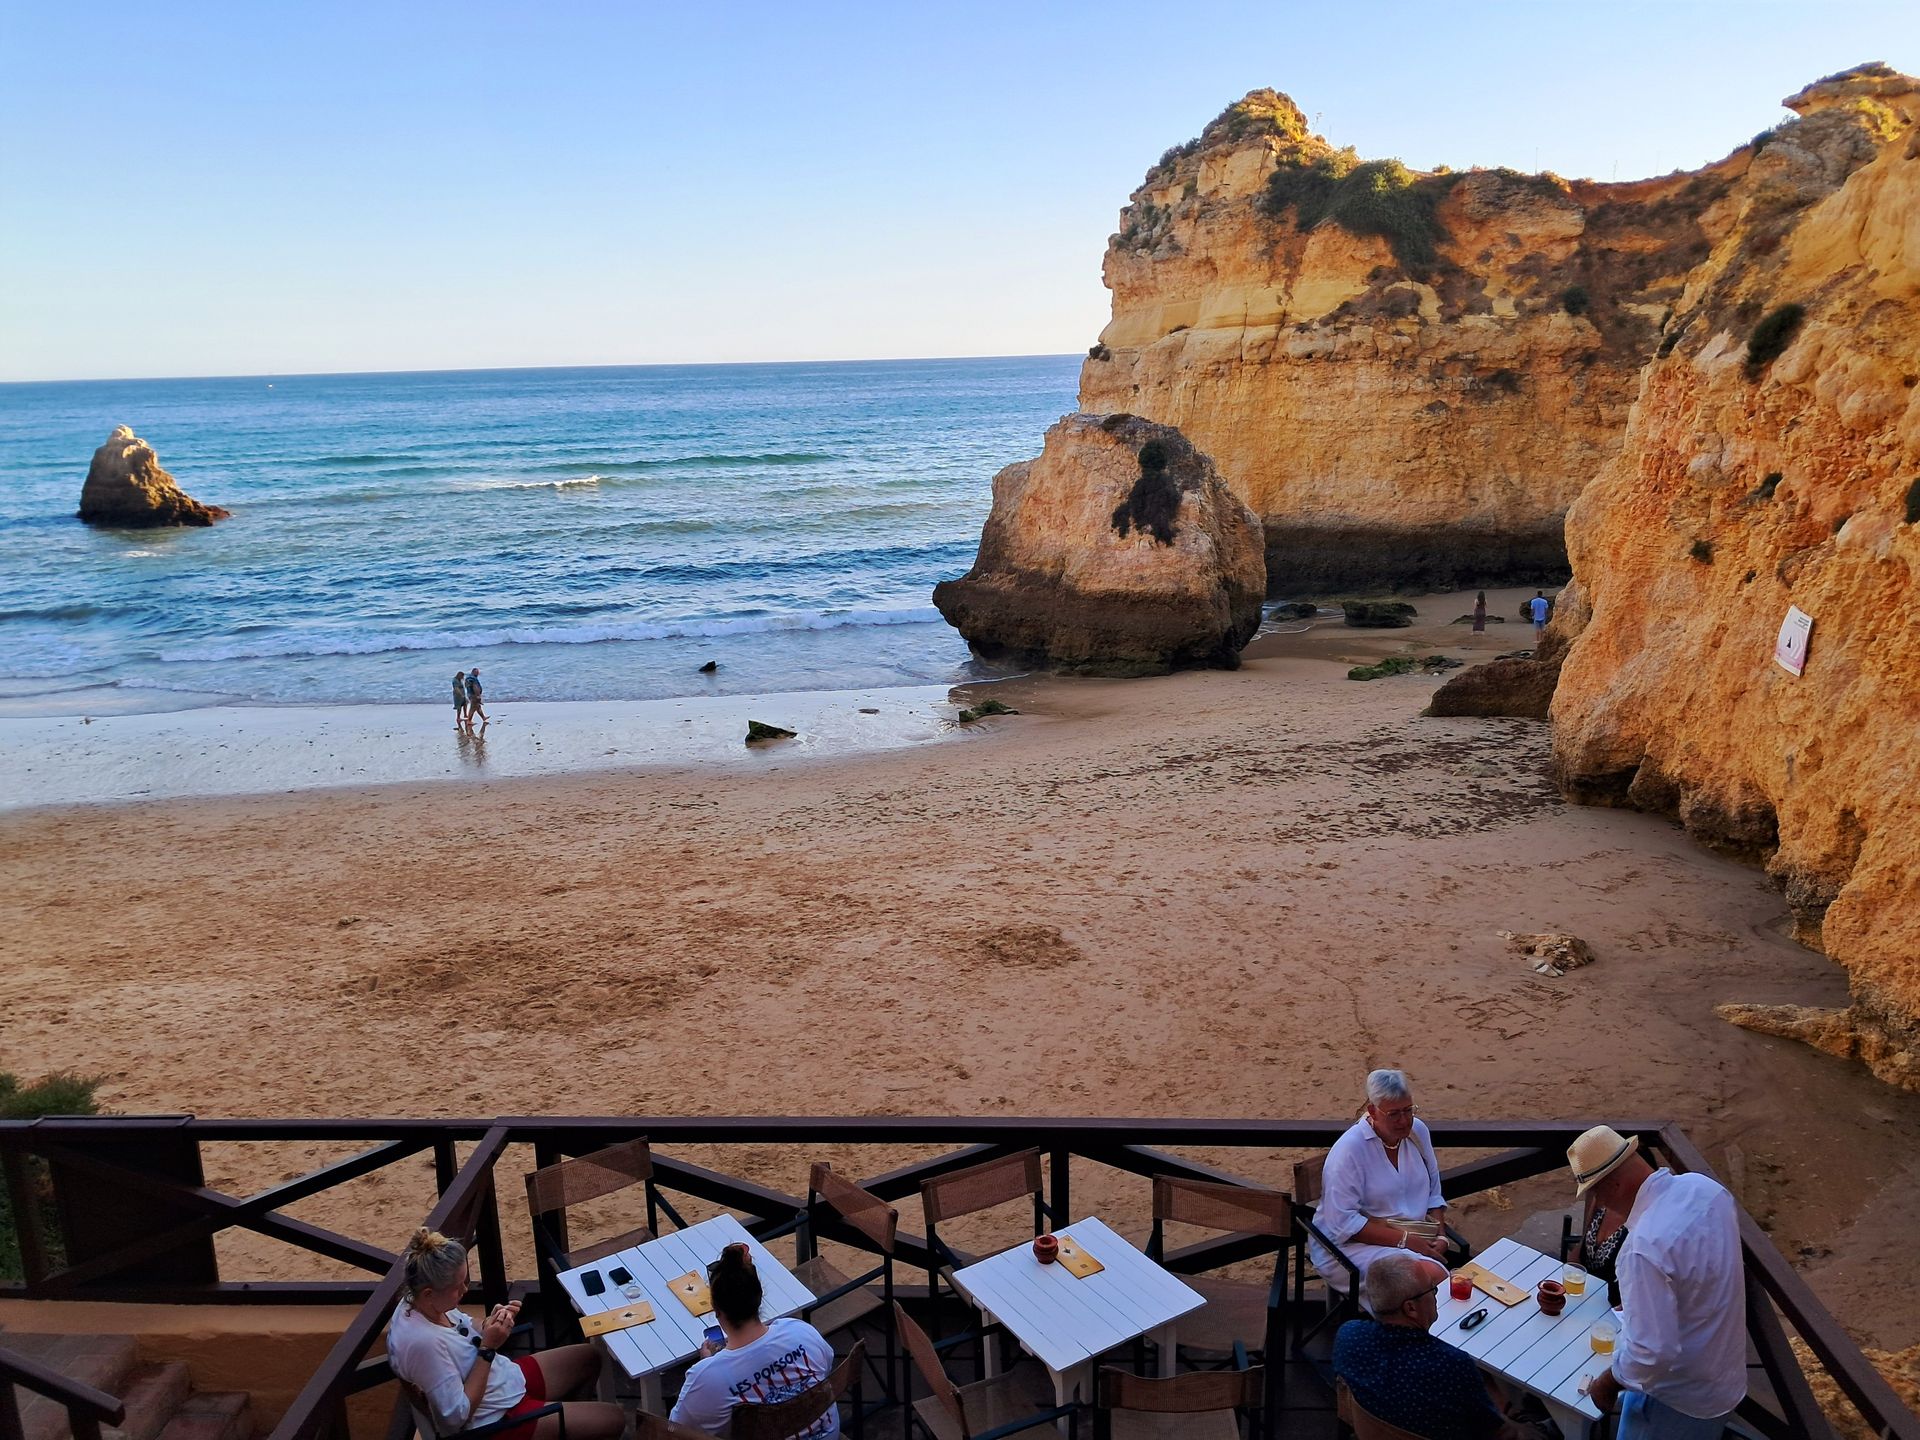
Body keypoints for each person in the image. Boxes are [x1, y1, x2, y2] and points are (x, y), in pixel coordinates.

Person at [1569, 1127, 1745, 1438]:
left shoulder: (1643, 1247)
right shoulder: (1706, 1189)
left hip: (1676, 1396)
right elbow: (1700, 1276)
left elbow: (1651, 1354)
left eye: (1597, 1192)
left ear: (1616, 1185)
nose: (1599, 1202)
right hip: (1725, 1376)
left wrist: (1607, 1383)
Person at [387, 1227, 622, 1440]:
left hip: (503, 1382)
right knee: (615, 1419)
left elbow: (465, 1324)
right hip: (495, 1419)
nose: (465, 1290)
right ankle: (558, 1423)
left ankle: (562, 1425)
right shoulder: (423, 1344)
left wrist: (491, 1323)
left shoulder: (416, 1301)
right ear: (429, 1293)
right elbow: (456, 1417)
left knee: (590, 1357)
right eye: (458, 1287)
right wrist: (488, 1349)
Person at [1334, 1253, 1540, 1439]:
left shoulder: (1349, 1336)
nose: (1435, 1295)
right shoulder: (1451, 1366)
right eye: (1432, 1289)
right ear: (1411, 1308)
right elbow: (1498, 1433)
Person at [1309, 1069, 1459, 1296]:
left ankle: (1414, 1328)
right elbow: (1343, 1223)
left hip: (1413, 1237)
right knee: (1426, 1279)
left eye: (1408, 1110)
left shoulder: (1418, 1131)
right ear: (1372, 1111)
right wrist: (1406, 1242)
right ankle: (1410, 1329)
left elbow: (1433, 1192)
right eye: (1394, 1114)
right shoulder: (1350, 1150)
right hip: (1348, 1247)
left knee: (1431, 1280)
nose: (1404, 1120)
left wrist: (1440, 1235)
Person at [671, 1242, 838, 1439]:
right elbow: (825, 1366)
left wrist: (707, 1366)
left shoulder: (707, 1378)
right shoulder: (800, 1332)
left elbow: (677, 1431)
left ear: (716, 1311)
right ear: (759, 1298)